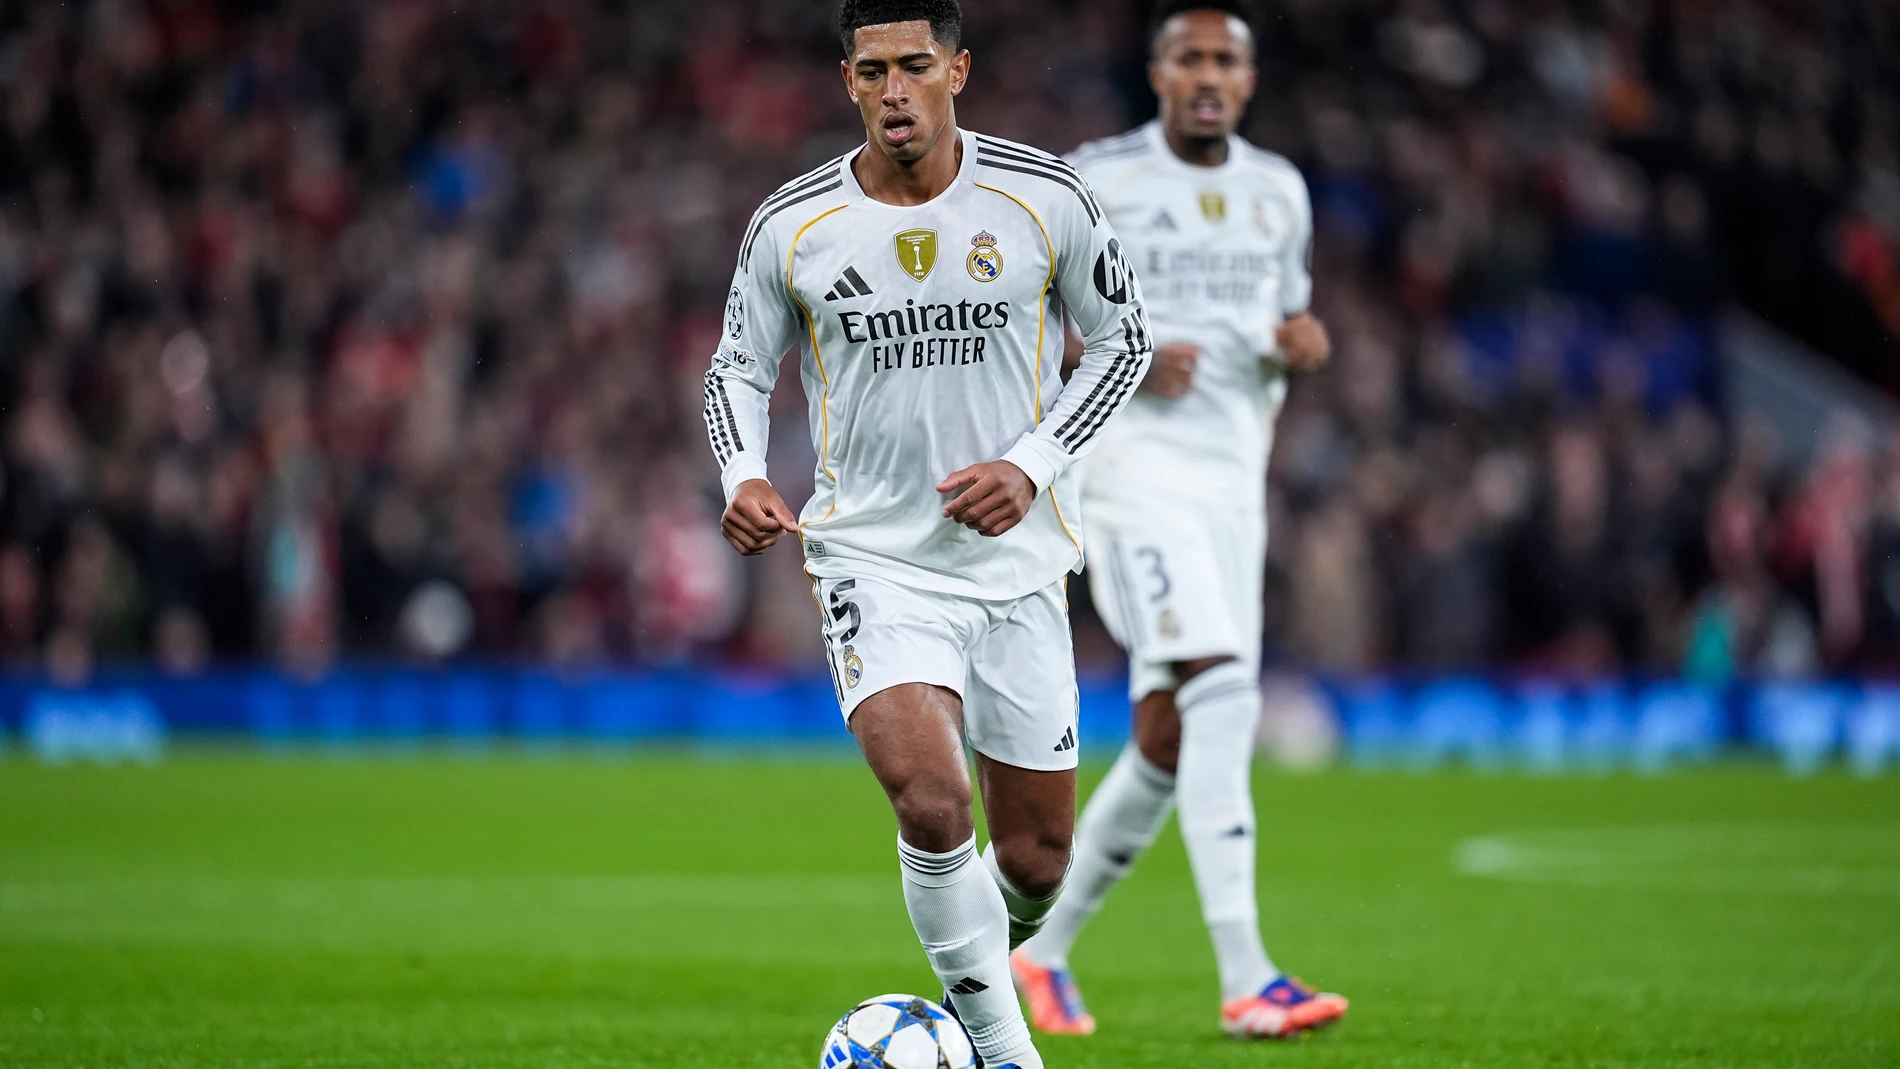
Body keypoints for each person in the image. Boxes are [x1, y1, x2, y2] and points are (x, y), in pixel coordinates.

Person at [702, 1, 1152, 1065]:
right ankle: (1005, 1052)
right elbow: (735, 368)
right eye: (871, 72)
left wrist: (1030, 465)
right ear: (846, 82)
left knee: (1039, 858)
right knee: (933, 795)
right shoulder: (793, 224)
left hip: (1019, 566)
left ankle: (964, 987)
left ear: (959, 69)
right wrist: (744, 472)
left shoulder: (1045, 198)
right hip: (873, 557)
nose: (893, 90)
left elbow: (1124, 342)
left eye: (913, 66)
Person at [1010, 0, 1346, 1040]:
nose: (1207, 76)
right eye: (1188, 57)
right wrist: (1121, 355)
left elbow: (1284, 316)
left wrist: (1303, 342)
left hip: (1231, 486)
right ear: (1156, 72)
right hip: (1128, 472)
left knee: (1166, 737)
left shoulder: (1277, 192)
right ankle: (1248, 976)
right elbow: (1017, 324)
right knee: (1223, 685)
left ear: (1247, 82)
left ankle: (1028, 951)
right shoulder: (1094, 178)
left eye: (1226, 62)